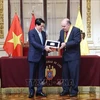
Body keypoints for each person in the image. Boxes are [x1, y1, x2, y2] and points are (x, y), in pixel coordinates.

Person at [27, 18, 51, 98]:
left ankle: (39, 91)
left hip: (42, 57)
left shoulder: (43, 33)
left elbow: (45, 44)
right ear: (36, 25)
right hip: (33, 57)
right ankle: (31, 91)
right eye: (41, 26)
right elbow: (33, 43)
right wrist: (44, 48)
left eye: (43, 26)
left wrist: (49, 48)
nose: (42, 28)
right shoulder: (31, 32)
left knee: (41, 75)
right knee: (32, 75)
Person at [58, 18, 81, 97]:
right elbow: (60, 41)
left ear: (68, 25)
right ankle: (65, 90)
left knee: (74, 75)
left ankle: (74, 90)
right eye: (62, 26)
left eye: (64, 26)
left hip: (74, 57)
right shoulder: (62, 32)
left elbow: (76, 41)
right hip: (65, 57)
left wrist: (66, 44)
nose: (63, 28)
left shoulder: (76, 30)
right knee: (65, 75)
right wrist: (53, 46)